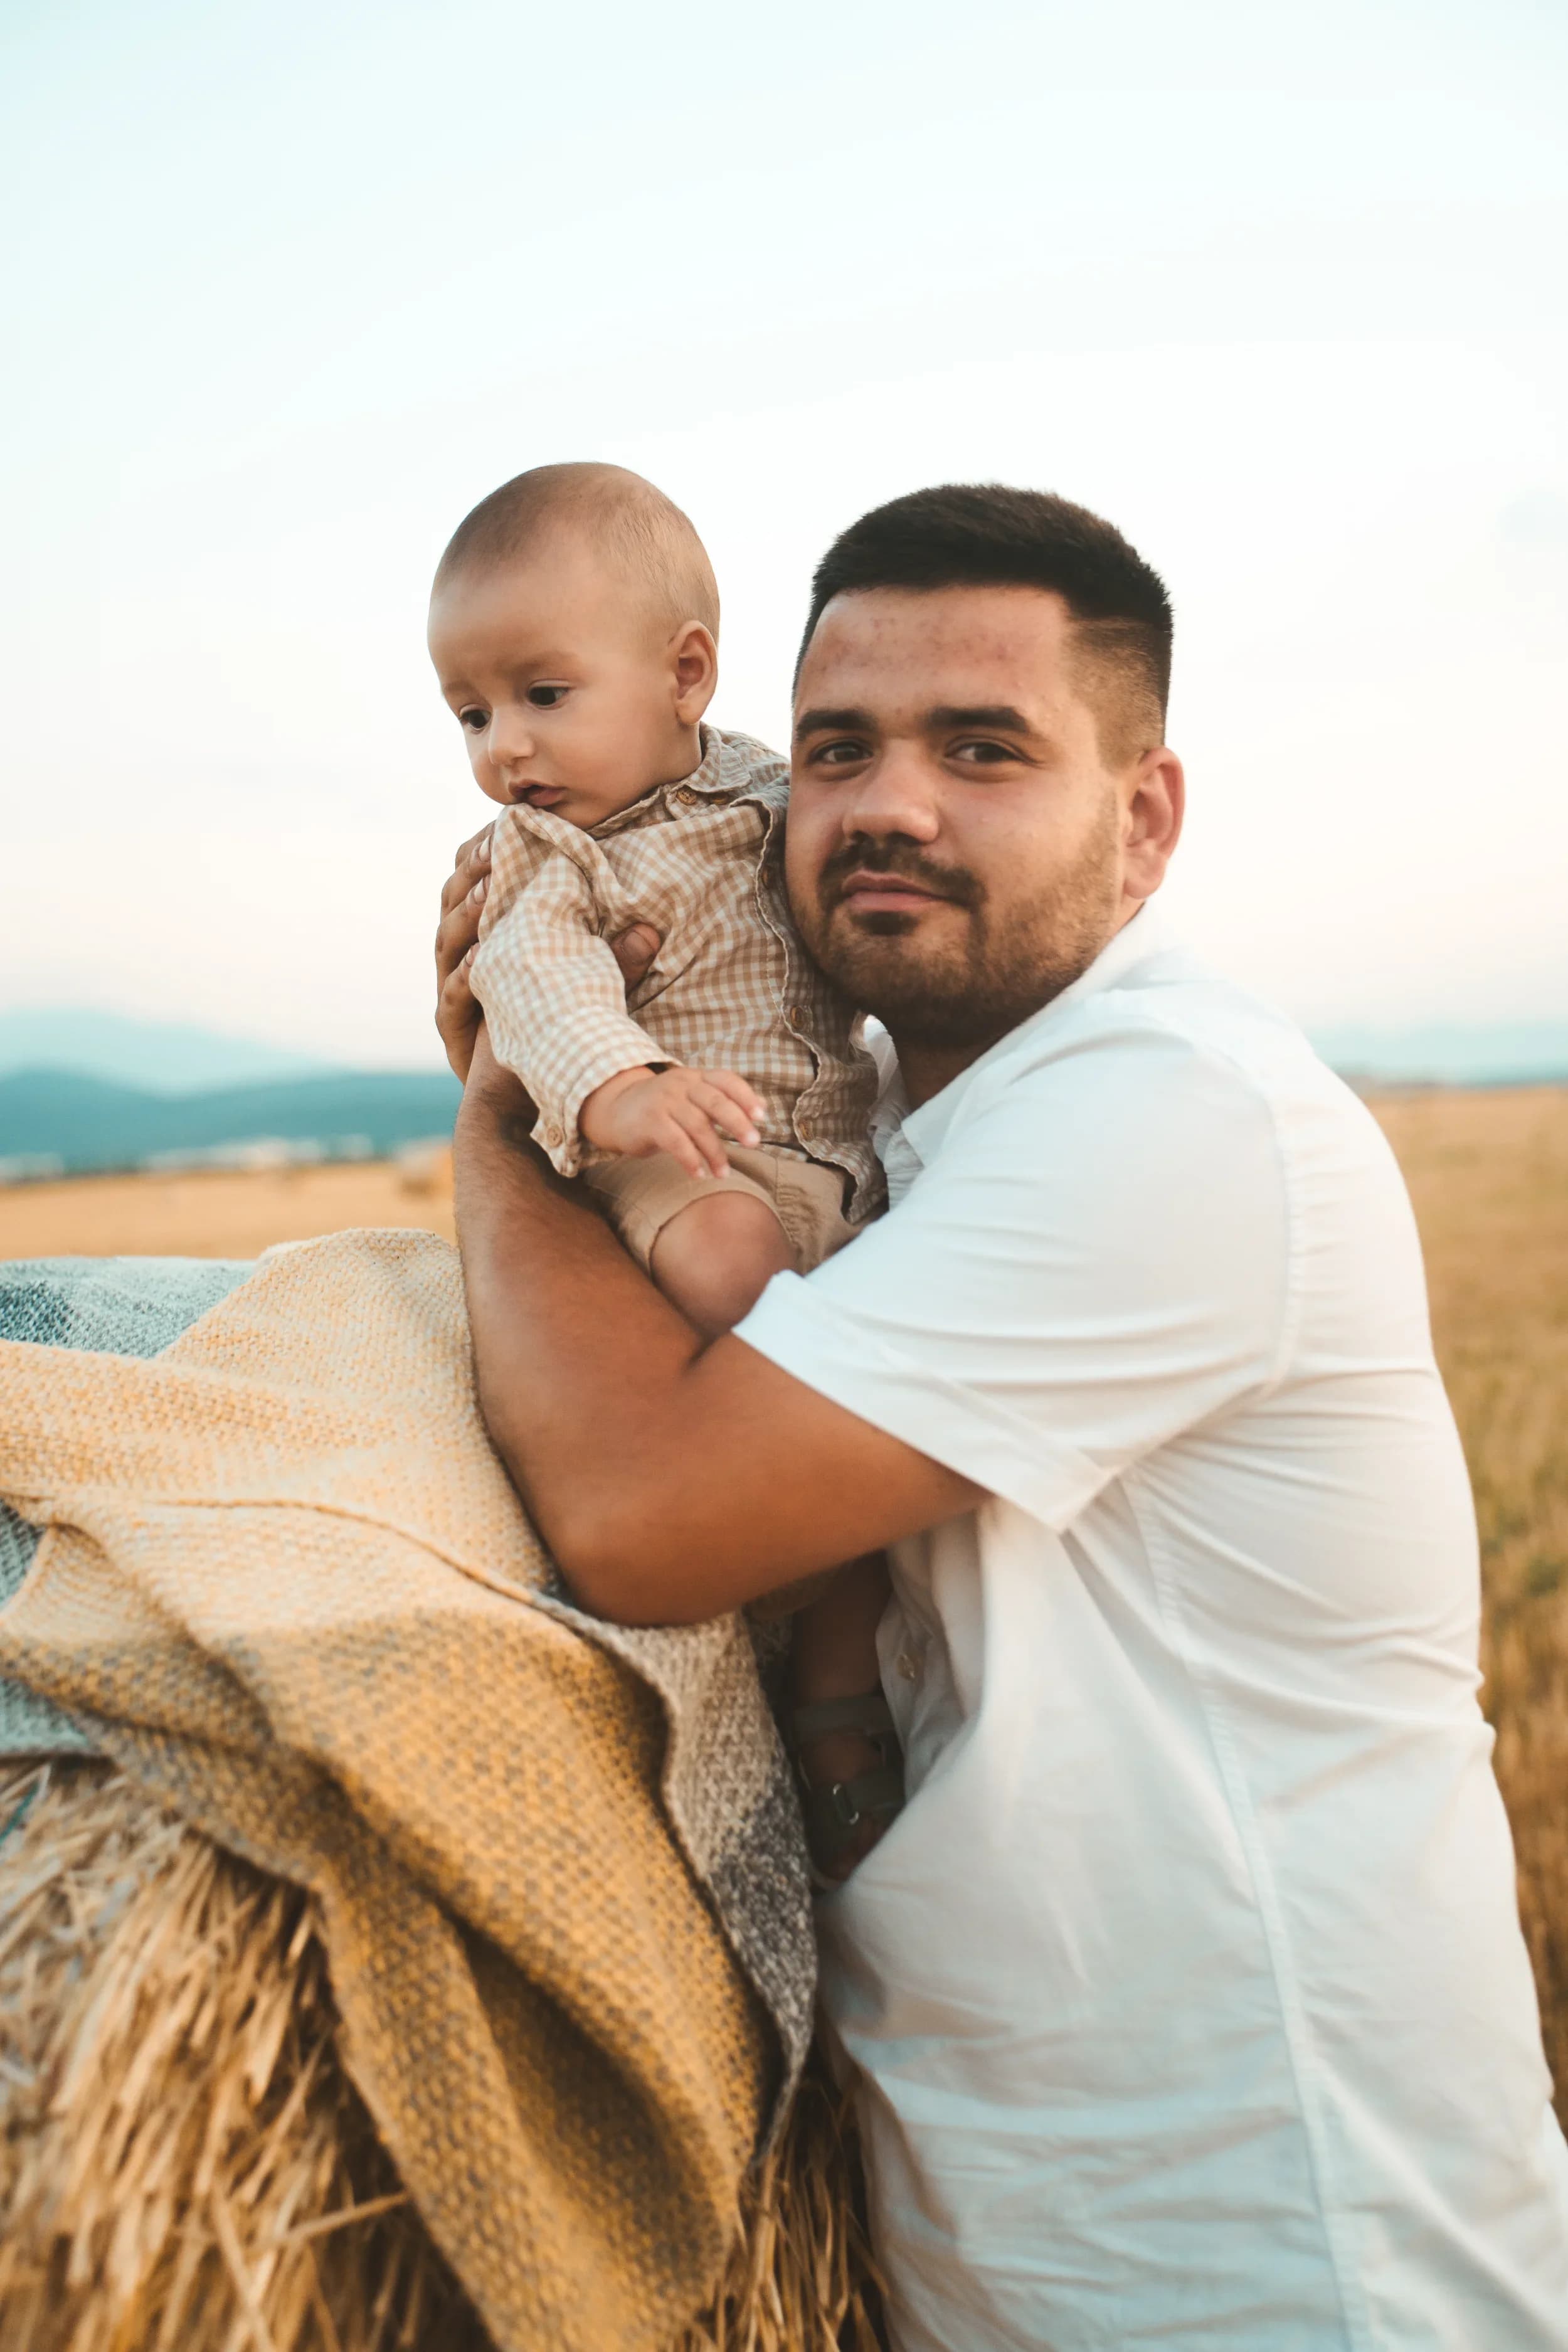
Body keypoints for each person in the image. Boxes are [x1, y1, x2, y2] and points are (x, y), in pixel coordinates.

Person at [433, 482, 1568, 2349]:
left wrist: (505, 1100)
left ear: (1142, 819)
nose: (887, 801)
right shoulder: (891, 1126)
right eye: (833, 748)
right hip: (1016, 2245)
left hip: (1285, 2263)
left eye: (982, 748)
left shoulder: (1164, 1111)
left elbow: (643, 1513)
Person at [427, 459, 899, 1875]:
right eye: (470, 714)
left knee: (853, 1406)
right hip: (660, 1153)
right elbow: (535, 974)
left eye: (541, 694)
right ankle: (777, 1614)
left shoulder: (765, 786)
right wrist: (618, 1084)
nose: (506, 746)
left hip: (824, 1150)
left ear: (685, 671)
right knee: (727, 1263)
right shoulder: (543, 855)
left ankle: (828, 1665)